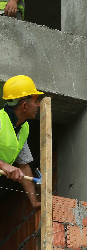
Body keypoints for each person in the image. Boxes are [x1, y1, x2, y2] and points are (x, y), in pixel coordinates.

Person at [0, 75, 42, 209]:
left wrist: (34, 202)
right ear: (24, 105)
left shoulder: (23, 127)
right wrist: (4, 166)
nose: (38, 104)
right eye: (35, 100)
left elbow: (24, 165)